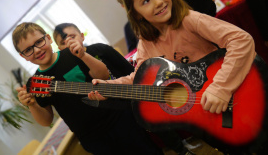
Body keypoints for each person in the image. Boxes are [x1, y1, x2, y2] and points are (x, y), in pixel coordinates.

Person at [89, 0, 257, 154]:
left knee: (264, 144)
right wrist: (109, 87)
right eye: (146, 1)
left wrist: (221, 88)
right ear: (136, 13)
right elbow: (140, 79)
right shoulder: (146, 43)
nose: (159, 2)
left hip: (236, 99)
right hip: (203, 116)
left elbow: (241, 40)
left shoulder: (190, 20)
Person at [14, 22, 163, 155]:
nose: (37, 50)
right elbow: (47, 120)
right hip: (92, 138)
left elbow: (103, 76)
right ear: (23, 56)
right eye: (28, 50)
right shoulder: (34, 84)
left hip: (118, 118)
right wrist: (32, 104)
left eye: (39, 42)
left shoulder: (73, 52)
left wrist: (84, 55)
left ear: (48, 38)